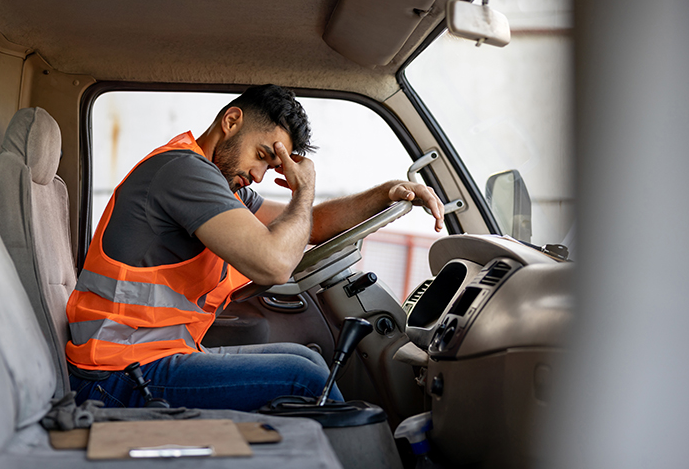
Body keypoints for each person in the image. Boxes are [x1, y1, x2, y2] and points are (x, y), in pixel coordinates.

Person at [66, 84, 445, 411]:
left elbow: (313, 225)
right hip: (117, 373)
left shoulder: (219, 184)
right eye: (262, 156)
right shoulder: (183, 172)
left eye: (273, 166)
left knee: (305, 358)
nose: (259, 176)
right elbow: (275, 264)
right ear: (231, 121)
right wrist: (303, 189)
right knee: (304, 378)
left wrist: (386, 193)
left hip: (148, 356)